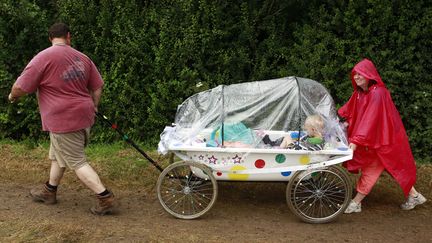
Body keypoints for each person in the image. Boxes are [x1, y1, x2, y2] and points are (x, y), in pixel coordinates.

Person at [8, 23, 117, 215]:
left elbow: (20, 87)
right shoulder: (82, 57)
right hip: (83, 115)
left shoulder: (43, 57)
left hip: (63, 120)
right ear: (69, 36)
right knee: (58, 154)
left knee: (77, 161)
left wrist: (12, 96)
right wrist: (94, 105)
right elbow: (98, 86)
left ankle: (104, 197)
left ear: (50, 38)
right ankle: (49, 191)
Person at [338, 58, 426, 213]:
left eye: (360, 74)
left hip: (384, 141)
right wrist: (333, 120)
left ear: (369, 75)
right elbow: (348, 110)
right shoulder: (360, 93)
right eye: (355, 74)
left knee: (371, 169)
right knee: (392, 167)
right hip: (377, 140)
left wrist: (357, 140)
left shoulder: (378, 93)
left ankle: (356, 202)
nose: (356, 77)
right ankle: (415, 195)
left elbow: (370, 119)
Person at [261, 114, 326, 150]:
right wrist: (296, 141)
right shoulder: (319, 139)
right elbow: (304, 143)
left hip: (295, 151)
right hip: (297, 149)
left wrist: (296, 143)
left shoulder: (313, 140)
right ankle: (276, 146)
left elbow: (302, 146)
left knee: (287, 137)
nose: (306, 132)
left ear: (313, 130)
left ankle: (278, 150)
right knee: (287, 138)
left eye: (307, 130)